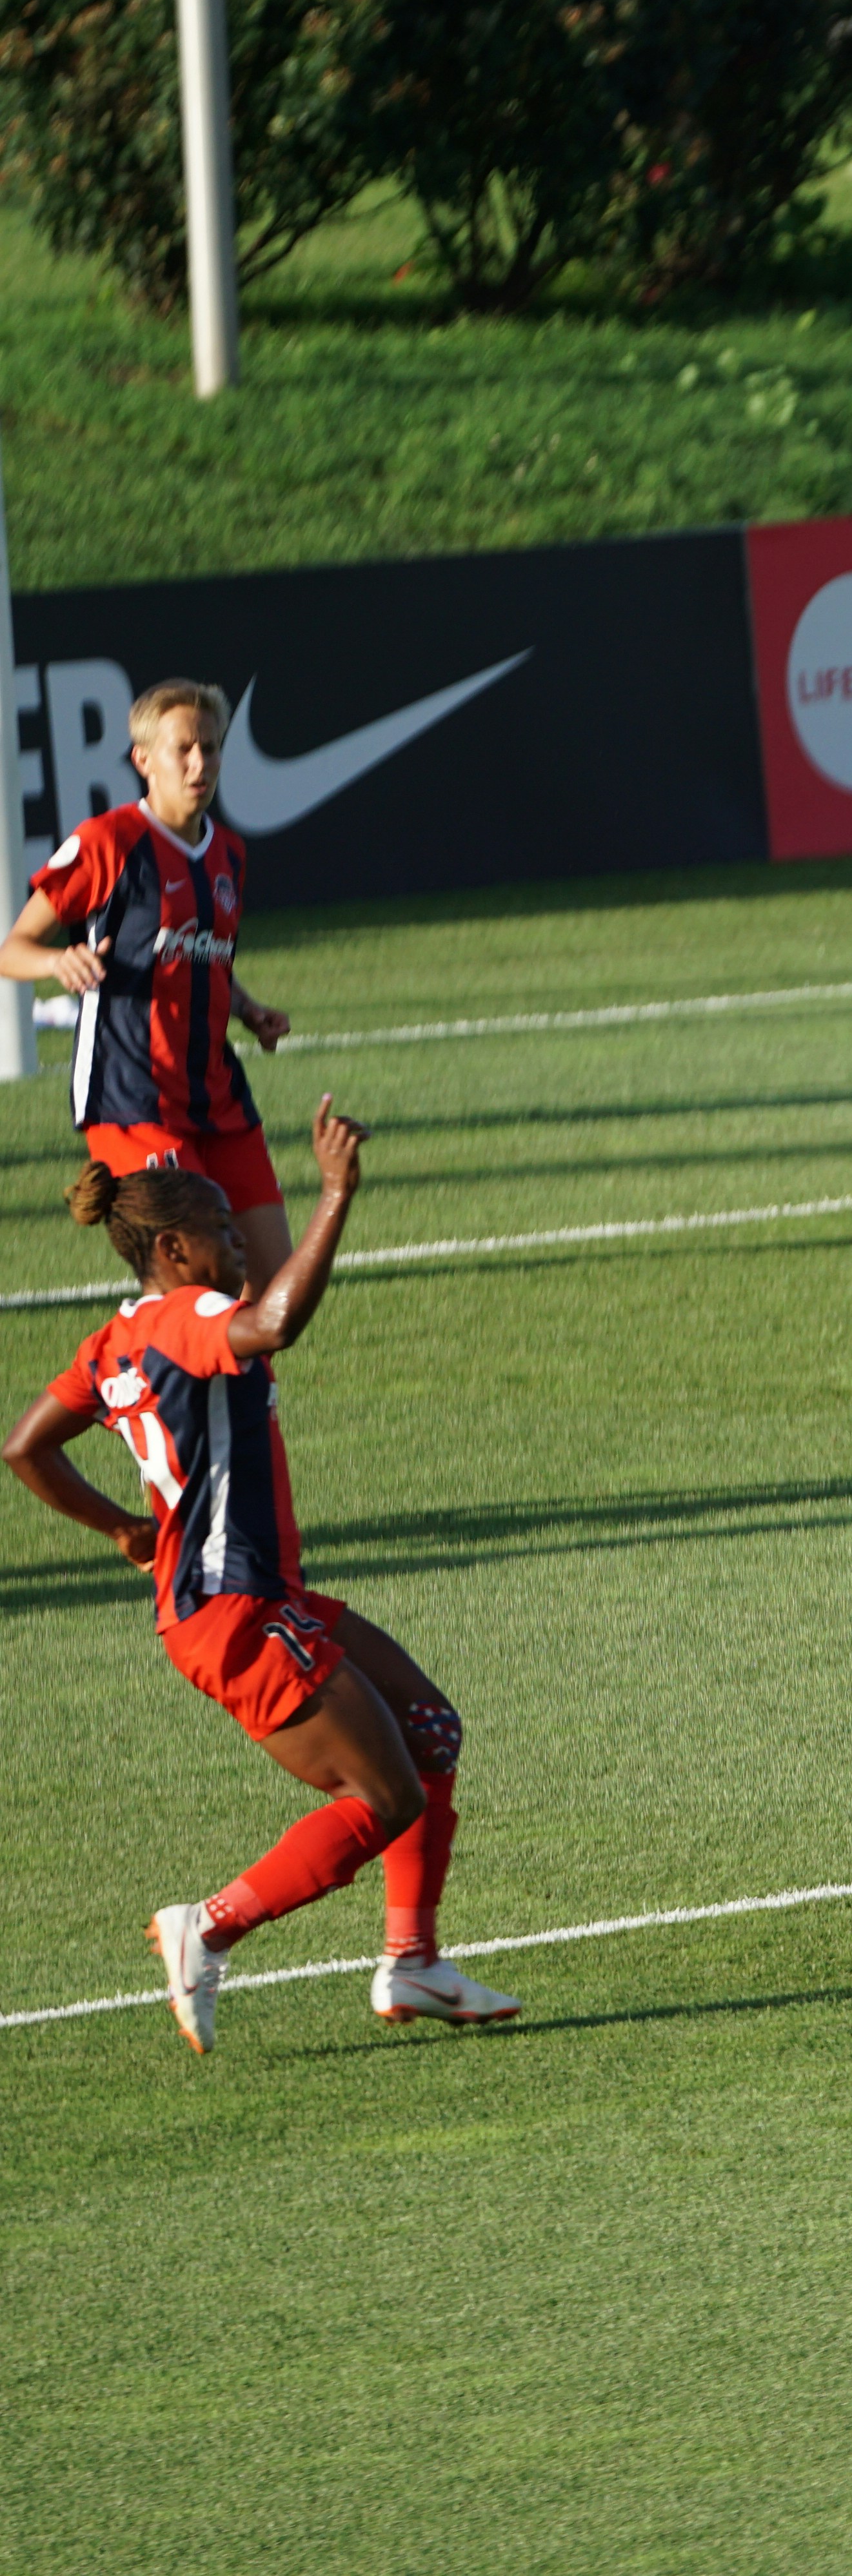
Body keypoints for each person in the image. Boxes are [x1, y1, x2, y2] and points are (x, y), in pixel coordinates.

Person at [3, 1101, 517, 2051]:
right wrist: (333, 1196)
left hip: (249, 1597)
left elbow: (26, 1446)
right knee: (384, 1797)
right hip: (234, 1612)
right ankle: (208, 1927)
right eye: (224, 1233)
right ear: (174, 1248)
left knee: (430, 1732)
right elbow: (276, 1325)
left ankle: (415, 1962)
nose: (239, 1245)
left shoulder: (115, 1337)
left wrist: (122, 1528)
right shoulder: (192, 1313)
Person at [0, 679, 298, 1278]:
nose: (200, 763)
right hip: (133, 1099)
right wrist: (58, 962)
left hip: (219, 1097)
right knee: (199, 1282)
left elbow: (202, 959)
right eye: (182, 749)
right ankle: (124, 1374)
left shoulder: (230, 854)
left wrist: (247, 1009)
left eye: (210, 748)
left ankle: (231, 1377)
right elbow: (13, 949)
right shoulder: (105, 844)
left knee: (274, 1289)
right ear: (143, 760)